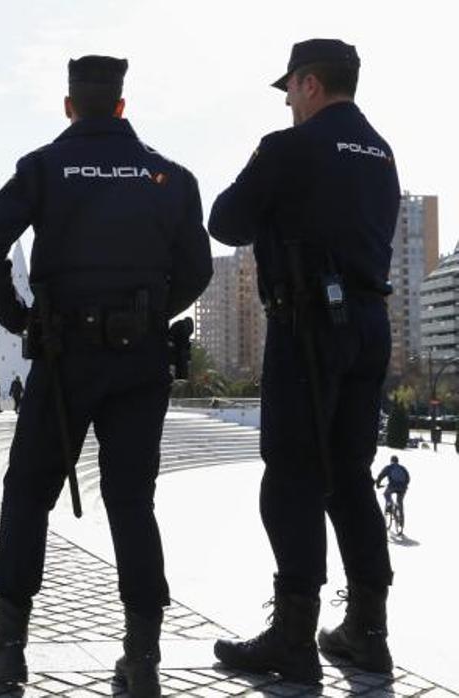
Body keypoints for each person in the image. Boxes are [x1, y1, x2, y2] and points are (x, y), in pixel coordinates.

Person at [0, 55, 212, 696]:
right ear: (122, 107)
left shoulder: (45, 166)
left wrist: (21, 319)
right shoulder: (170, 176)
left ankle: (9, 649)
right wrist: (149, 315)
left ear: (70, 105)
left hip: (64, 357)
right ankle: (143, 660)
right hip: (140, 362)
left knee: (28, 494)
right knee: (133, 501)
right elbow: (198, 272)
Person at [207, 40, 400, 683]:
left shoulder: (288, 147)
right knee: (349, 475)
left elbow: (226, 222)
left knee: (290, 476)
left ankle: (293, 636)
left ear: (310, 83)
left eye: (289, 88)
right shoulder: (381, 152)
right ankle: (368, 631)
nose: (287, 101)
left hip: (309, 325)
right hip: (370, 325)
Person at [375, 455, 410, 527]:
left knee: (386, 494)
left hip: (393, 486)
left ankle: (390, 504)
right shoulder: (402, 468)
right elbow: (408, 478)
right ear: (398, 461)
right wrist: (405, 485)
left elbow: (381, 476)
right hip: (403, 487)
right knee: (400, 502)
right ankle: (401, 520)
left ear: (391, 461)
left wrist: (378, 484)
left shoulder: (389, 467)